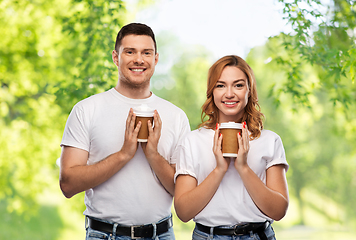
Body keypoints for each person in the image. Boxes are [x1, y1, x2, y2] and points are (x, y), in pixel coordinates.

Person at [59, 23, 190, 240]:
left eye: (146, 53)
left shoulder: (176, 117)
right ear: (115, 57)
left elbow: (183, 192)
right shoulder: (86, 110)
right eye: (130, 52)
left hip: (161, 235)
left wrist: (152, 154)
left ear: (155, 59)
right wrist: (124, 154)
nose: (139, 59)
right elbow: (68, 184)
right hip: (104, 235)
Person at [173, 55, 289, 240]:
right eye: (220, 85)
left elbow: (278, 211)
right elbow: (183, 212)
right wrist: (220, 169)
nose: (229, 93)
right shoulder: (192, 141)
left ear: (249, 90)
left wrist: (243, 167)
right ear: (211, 92)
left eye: (238, 85)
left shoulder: (269, 140)